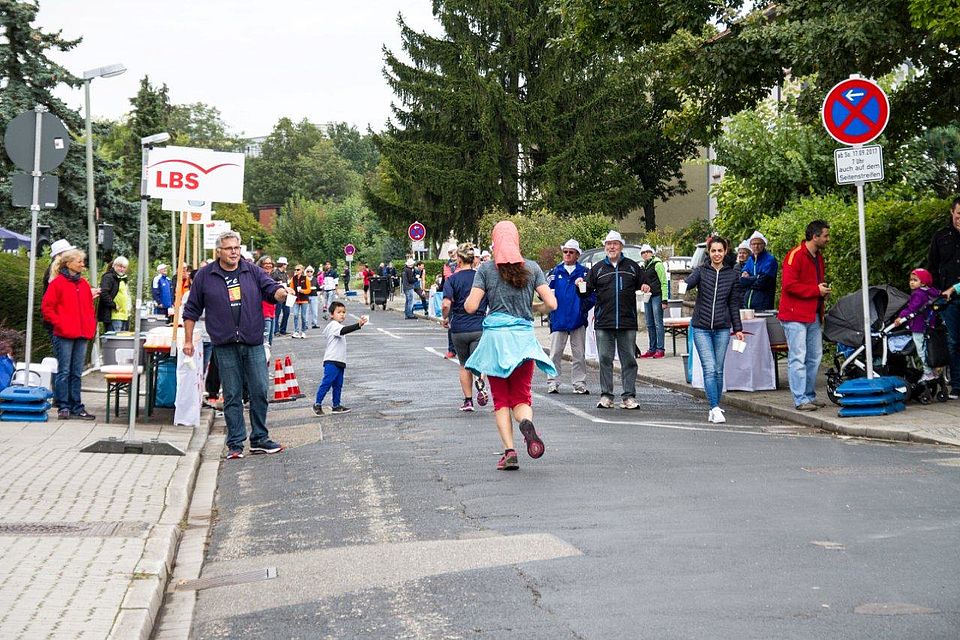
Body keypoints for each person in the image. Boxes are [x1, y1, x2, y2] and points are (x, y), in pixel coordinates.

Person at [183, 231, 288, 459]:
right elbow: (191, 310)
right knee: (232, 395)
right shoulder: (205, 276)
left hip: (253, 342)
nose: (234, 252)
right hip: (225, 345)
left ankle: (259, 438)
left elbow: (271, 289)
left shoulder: (251, 271)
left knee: (259, 390)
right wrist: (188, 340)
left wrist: (281, 293)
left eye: (237, 248)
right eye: (229, 248)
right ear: (218, 251)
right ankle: (235, 443)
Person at [464, 221, 557, 471]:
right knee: (522, 396)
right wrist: (533, 307)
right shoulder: (533, 268)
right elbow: (551, 304)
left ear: (495, 242)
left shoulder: (486, 269)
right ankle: (526, 423)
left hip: (497, 342)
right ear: (516, 241)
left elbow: (471, 307)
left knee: (501, 400)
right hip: (523, 341)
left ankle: (509, 452)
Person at [576, 230, 642, 410]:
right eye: (609, 244)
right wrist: (579, 286)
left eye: (615, 244)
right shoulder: (597, 269)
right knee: (605, 359)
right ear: (605, 247)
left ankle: (629, 397)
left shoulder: (632, 267)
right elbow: (585, 293)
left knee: (629, 360)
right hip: (604, 321)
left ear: (621, 246)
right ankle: (606, 396)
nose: (612, 247)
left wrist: (646, 287)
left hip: (627, 321)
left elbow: (645, 284)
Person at [683, 236, 744, 424]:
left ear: (725, 252)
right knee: (709, 368)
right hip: (701, 327)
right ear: (708, 253)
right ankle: (715, 408)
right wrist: (683, 285)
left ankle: (715, 405)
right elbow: (688, 283)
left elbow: (734, 304)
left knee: (718, 369)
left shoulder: (732, 275)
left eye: (720, 251)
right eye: (713, 251)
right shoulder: (701, 271)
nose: (717, 254)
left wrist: (738, 328)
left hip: (722, 328)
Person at [779, 220, 831, 411]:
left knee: (814, 357)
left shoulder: (817, 256)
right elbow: (789, 285)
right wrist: (817, 291)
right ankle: (801, 399)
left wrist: (821, 292)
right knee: (798, 357)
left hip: (812, 314)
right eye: (825, 235)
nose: (828, 239)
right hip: (795, 315)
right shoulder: (795, 255)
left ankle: (808, 395)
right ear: (815, 236)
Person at [41, 248, 99, 420]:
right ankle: (63, 406)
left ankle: (76, 406)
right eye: (79, 261)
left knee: (76, 372)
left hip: (82, 333)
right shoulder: (57, 283)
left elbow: (89, 308)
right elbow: (47, 308)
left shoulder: (83, 284)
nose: (82, 264)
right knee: (64, 371)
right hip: (64, 333)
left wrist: (90, 324)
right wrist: (60, 323)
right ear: (68, 263)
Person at [442, 243, 489, 411]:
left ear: (459, 260)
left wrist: (445, 318)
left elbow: (446, 304)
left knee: (463, 364)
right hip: (478, 326)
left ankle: (468, 401)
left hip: (459, 327)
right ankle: (480, 381)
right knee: (479, 361)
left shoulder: (452, 280)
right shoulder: (481, 278)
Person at [545, 239, 592, 394]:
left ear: (577, 255)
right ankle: (552, 382)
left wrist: (582, 309)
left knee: (579, 355)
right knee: (555, 353)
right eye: (565, 251)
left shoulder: (585, 273)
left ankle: (579, 383)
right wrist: (551, 307)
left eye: (571, 252)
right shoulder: (555, 272)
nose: (567, 254)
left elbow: (592, 295)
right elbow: (544, 292)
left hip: (578, 319)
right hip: (558, 319)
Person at [927, 196, 960, 399]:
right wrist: (936, 293)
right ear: (952, 213)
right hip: (949, 299)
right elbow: (932, 267)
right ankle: (957, 385)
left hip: (955, 290)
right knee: (954, 341)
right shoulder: (941, 237)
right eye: (959, 215)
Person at [312, 301, 368, 415]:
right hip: (332, 360)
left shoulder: (336, 325)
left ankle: (336, 405)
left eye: (343, 312)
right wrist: (358, 325)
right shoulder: (333, 325)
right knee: (327, 383)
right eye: (339, 312)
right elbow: (343, 330)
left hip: (339, 361)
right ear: (331, 315)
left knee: (338, 385)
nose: (342, 314)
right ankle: (317, 403)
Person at [894, 268, 941, 381]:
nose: (911, 282)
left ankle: (928, 372)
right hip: (929, 325)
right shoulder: (930, 292)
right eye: (911, 280)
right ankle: (934, 371)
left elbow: (911, 308)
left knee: (921, 350)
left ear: (923, 283)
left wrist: (900, 317)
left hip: (918, 326)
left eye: (915, 280)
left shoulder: (918, 294)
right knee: (929, 349)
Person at [638, 243, 668, 359]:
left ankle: (660, 349)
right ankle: (652, 348)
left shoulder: (657, 264)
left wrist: (664, 300)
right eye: (643, 253)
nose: (645, 254)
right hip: (647, 296)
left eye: (647, 252)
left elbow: (664, 282)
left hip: (657, 296)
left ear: (652, 253)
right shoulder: (643, 266)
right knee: (649, 323)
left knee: (658, 323)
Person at [740, 231, 779, 310]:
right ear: (750, 245)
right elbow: (742, 281)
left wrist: (749, 280)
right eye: (753, 244)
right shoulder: (750, 260)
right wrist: (756, 277)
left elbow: (763, 282)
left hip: (764, 305)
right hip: (748, 304)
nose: (756, 246)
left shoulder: (770, 260)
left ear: (764, 245)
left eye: (759, 244)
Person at [96, 256, 130, 333]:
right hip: (114, 316)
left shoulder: (122, 278)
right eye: (120, 266)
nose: (122, 269)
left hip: (124, 315)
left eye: (124, 267)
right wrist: (114, 305)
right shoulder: (108, 277)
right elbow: (103, 293)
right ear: (114, 265)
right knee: (114, 340)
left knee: (123, 339)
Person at [257, 256, 277, 345]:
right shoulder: (259, 277)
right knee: (265, 341)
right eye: (266, 263)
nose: (268, 265)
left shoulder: (270, 277)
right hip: (264, 312)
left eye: (270, 263)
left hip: (272, 311)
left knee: (270, 340)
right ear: (261, 265)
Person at [289, 264, 311, 339]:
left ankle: (303, 331)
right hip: (296, 300)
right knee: (295, 315)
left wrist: (303, 291)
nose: (296, 271)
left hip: (304, 300)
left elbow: (309, 290)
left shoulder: (305, 278)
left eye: (298, 269)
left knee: (303, 316)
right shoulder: (293, 278)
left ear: (302, 270)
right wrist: (291, 293)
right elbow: (291, 288)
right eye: (295, 269)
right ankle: (296, 331)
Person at [271, 257, 291, 335]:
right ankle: (276, 330)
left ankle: (283, 329)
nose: (286, 265)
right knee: (277, 313)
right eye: (286, 264)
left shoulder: (285, 274)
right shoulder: (274, 273)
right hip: (279, 295)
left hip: (286, 295)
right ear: (283, 264)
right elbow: (272, 283)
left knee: (287, 312)